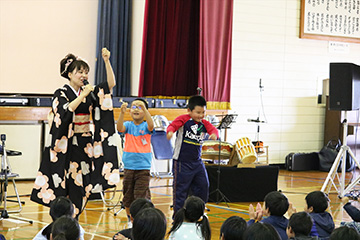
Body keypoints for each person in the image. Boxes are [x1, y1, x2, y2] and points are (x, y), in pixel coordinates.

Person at [30, 48, 119, 217]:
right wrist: (82, 95)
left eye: (86, 72)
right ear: (70, 74)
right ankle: (63, 220)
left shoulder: (89, 92)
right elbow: (65, 111)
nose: (84, 75)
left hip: (85, 144)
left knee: (83, 183)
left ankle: (75, 218)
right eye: (80, 72)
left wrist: (106, 61)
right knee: (65, 184)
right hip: (66, 146)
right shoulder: (61, 93)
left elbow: (110, 84)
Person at [166, 95, 218, 214]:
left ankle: (198, 213)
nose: (201, 115)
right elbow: (172, 126)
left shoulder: (204, 123)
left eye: (203, 112)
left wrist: (214, 135)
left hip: (197, 162)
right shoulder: (183, 119)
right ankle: (178, 218)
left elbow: (213, 129)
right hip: (181, 162)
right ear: (189, 110)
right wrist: (170, 132)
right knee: (180, 191)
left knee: (203, 186)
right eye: (198, 112)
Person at [116, 98, 154, 226]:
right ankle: (130, 219)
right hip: (129, 167)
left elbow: (151, 125)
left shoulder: (146, 126)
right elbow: (120, 128)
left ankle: (141, 219)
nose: (136, 109)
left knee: (141, 195)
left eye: (140, 107)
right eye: (133, 107)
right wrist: (122, 113)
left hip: (143, 167)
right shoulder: (129, 125)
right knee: (127, 196)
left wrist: (146, 110)